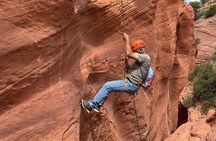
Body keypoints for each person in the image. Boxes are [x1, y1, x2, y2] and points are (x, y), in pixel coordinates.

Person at [81, 33, 151, 113]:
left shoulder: (146, 57)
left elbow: (129, 53)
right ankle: (98, 105)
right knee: (108, 87)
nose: (135, 54)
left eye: (136, 51)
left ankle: (91, 106)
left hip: (131, 84)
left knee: (108, 86)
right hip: (131, 84)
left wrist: (127, 40)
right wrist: (127, 62)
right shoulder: (141, 61)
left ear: (139, 50)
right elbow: (130, 69)